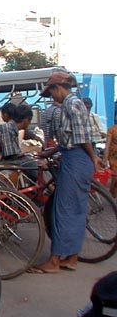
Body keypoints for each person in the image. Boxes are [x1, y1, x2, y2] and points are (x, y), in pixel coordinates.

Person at [29, 71, 104, 274]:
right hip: (76, 157)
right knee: (77, 210)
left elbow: (81, 136)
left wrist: (92, 157)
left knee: (62, 211)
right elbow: (69, 139)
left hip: (77, 159)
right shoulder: (75, 104)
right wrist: (49, 151)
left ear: (57, 88)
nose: (52, 97)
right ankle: (71, 257)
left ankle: (54, 261)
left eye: (52, 92)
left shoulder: (71, 104)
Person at [0, 104, 39, 180]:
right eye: (30, 121)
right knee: (32, 164)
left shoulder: (12, 129)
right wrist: (28, 157)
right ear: (26, 120)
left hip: (2, 159)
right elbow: (10, 154)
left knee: (32, 161)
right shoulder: (7, 129)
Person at [103, 124, 117, 198]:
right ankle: (113, 197)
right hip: (114, 159)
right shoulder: (112, 129)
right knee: (115, 178)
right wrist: (105, 159)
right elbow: (107, 145)